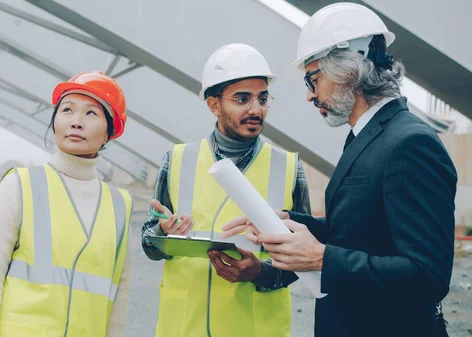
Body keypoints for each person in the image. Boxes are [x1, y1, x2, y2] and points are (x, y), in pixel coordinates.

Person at [221, 4, 457, 337]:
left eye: (312, 79)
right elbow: (362, 231)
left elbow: (427, 275)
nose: (309, 95)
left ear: (347, 70)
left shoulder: (410, 143)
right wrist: (286, 223)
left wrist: (322, 259)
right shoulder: (370, 136)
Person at [142, 43, 311, 337]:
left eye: (262, 98)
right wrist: (162, 233)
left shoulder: (288, 167)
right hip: (185, 327)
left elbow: (306, 257)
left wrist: (261, 273)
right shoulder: (178, 160)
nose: (256, 109)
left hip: (255, 328)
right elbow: (148, 243)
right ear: (214, 104)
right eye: (242, 99)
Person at [0, 71, 133, 337]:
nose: (76, 122)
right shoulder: (20, 186)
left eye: (91, 113)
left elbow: (120, 290)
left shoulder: (119, 204)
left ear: (109, 132)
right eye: (67, 110)